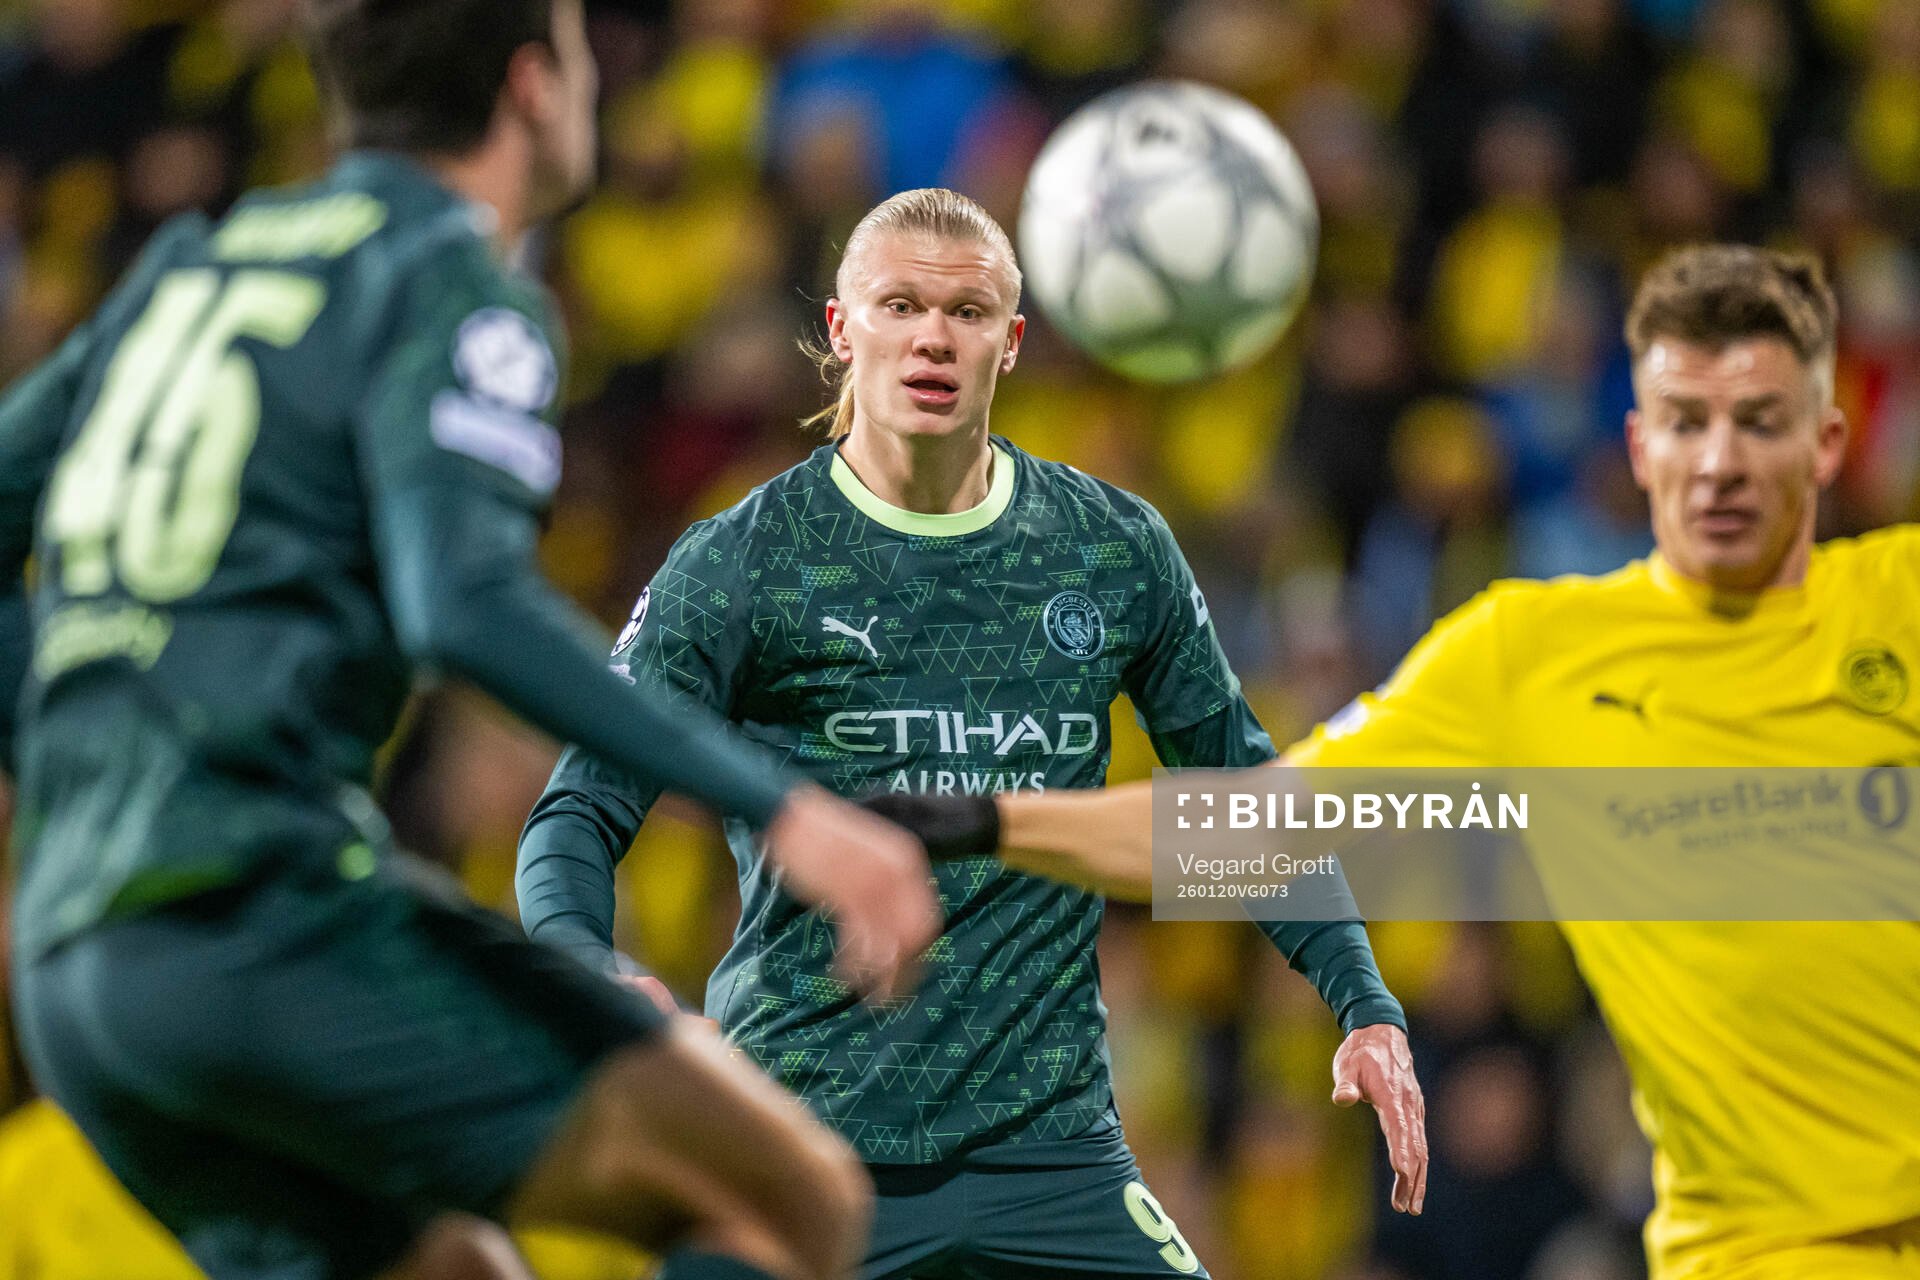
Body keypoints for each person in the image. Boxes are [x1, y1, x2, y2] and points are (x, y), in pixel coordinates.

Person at [0, 2, 946, 1278]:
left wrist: (81, 741)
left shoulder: (190, 269)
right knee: (790, 1198)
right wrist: (785, 807)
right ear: (532, 86)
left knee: (459, 1268)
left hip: (76, 961)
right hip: (257, 924)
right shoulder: (447, 279)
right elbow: (464, 603)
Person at [911, 245, 1920, 1280]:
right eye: (1686, 422)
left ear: (1827, 439)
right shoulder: (1532, 656)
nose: (1719, 462)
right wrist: (989, 821)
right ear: (1638, 441)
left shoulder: (1901, 596)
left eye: (1758, 421)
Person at [516, 186, 1428, 1280]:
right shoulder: (742, 560)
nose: (934, 336)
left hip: (1053, 1164)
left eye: (969, 310)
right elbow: (578, 809)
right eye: (901, 304)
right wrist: (582, 965)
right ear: (843, 331)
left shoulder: (1109, 544)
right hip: (802, 1146)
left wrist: (1362, 1002)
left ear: (1013, 342)